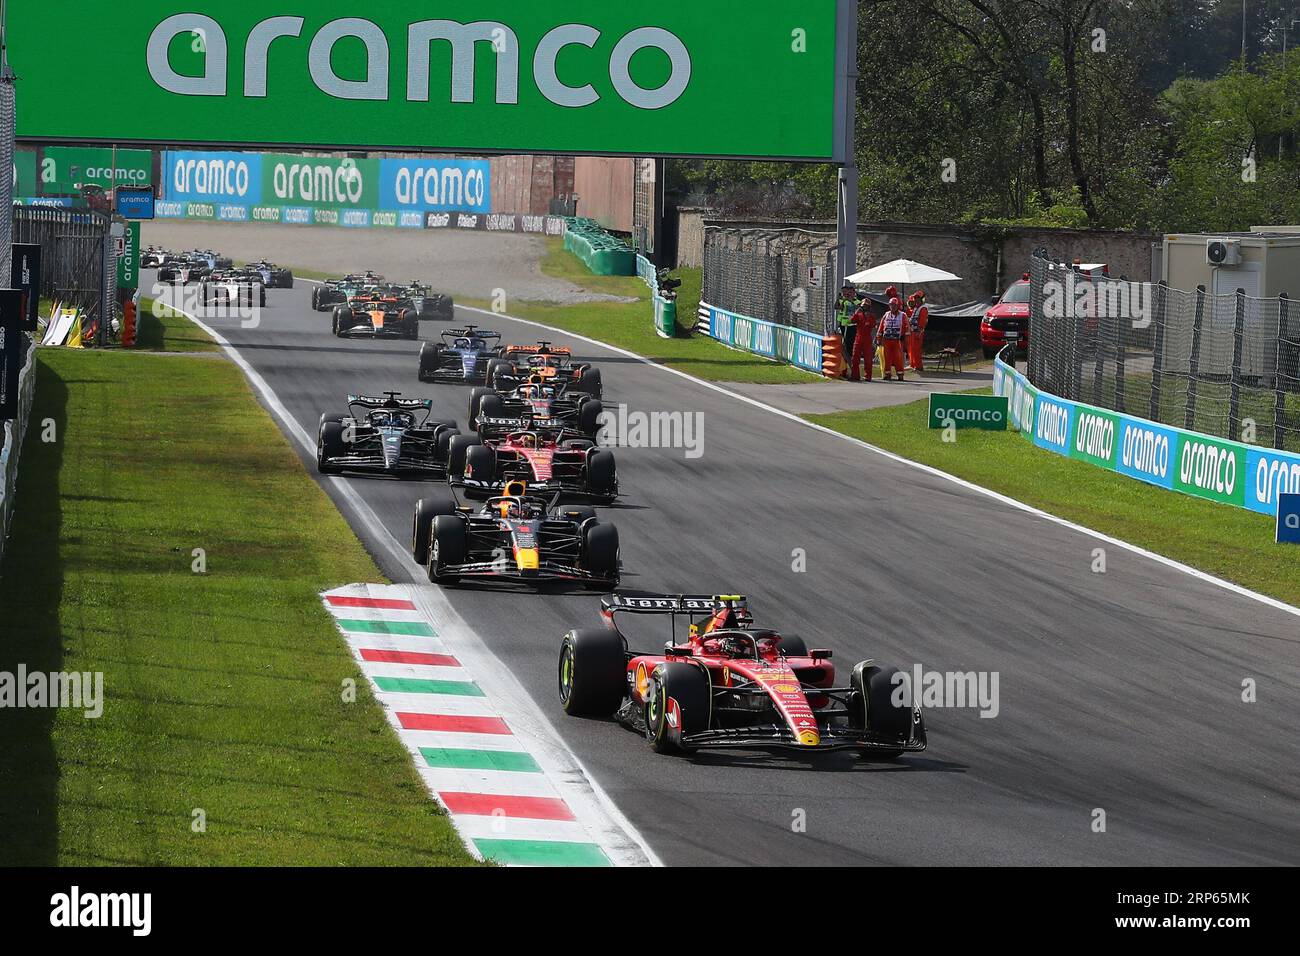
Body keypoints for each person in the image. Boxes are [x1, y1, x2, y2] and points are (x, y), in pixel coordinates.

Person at [878, 298, 908, 381]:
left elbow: (907, 328)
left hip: (897, 340)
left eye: (894, 305)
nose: (892, 307)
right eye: (891, 305)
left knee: (898, 358)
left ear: (898, 305)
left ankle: (900, 374)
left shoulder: (903, 315)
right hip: (886, 340)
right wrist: (878, 338)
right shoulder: (886, 314)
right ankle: (887, 374)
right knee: (887, 358)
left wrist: (905, 339)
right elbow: (881, 327)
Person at [848, 297, 877, 381]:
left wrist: (868, 318)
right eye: (863, 306)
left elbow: (871, 324)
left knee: (868, 358)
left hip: (867, 339)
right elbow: (852, 321)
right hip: (858, 338)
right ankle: (855, 375)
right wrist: (856, 312)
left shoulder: (871, 316)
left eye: (866, 306)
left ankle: (868, 376)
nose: (864, 308)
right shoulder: (859, 315)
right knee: (855, 358)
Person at [834, 282, 859, 378]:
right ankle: (846, 363)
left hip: (853, 324)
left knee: (851, 342)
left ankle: (851, 360)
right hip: (844, 324)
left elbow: (859, 306)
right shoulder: (843, 300)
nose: (847, 294)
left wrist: (850, 299)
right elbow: (837, 307)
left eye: (849, 292)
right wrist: (840, 299)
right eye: (845, 292)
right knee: (846, 343)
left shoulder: (855, 300)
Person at [908, 290, 929, 372]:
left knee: (916, 349)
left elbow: (922, 321)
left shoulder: (923, 308)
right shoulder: (916, 308)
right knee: (912, 349)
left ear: (922, 299)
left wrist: (919, 332)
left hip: (917, 332)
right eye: (915, 298)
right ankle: (913, 364)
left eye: (918, 298)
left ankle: (918, 366)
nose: (916, 300)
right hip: (912, 331)